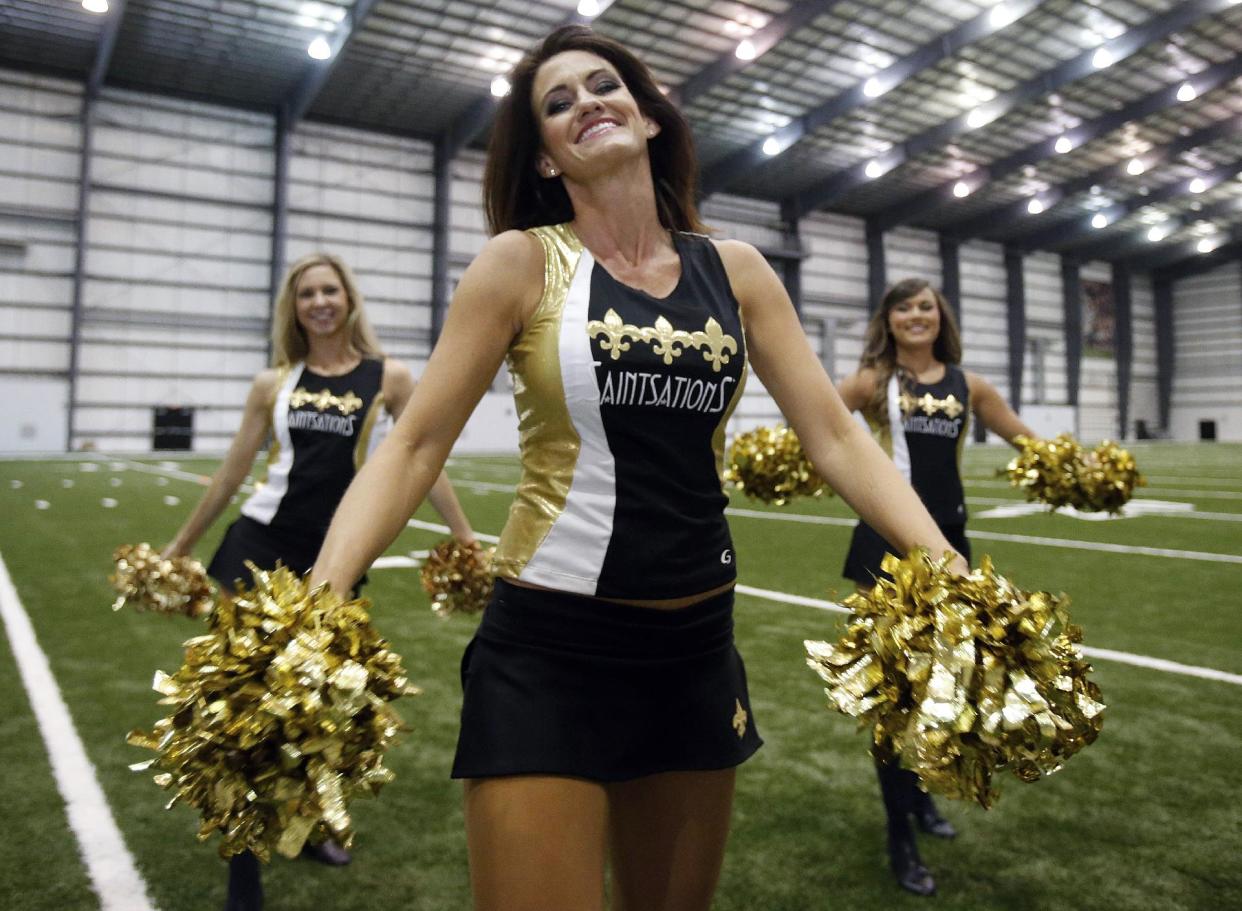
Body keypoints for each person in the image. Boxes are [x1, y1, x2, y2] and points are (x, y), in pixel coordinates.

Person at [310, 26, 967, 911]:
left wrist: (945, 564)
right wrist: (325, 589)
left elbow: (837, 437)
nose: (586, 102)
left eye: (603, 84)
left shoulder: (736, 272)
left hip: (693, 650)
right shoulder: (519, 265)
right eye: (557, 102)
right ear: (544, 160)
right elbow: (417, 442)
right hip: (548, 651)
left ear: (649, 117)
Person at [162, 251, 478, 911]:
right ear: (295, 307)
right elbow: (230, 474)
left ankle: (307, 829)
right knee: (241, 713)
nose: (321, 301)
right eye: (307, 293)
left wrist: (464, 533)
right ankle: (243, 867)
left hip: (337, 558)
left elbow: (425, 460)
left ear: (349, 299)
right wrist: (182, 545)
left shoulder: (389, 377)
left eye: (330, 289)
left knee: (323, 707)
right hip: (254, 549)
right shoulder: (272, 383)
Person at [837, 277, 1037, 897]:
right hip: (885, 549)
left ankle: (922, 804)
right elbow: (814, 419)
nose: (916, 315)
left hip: (949, 549)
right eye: (904, 307)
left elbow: (1025, 439)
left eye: (925, 306)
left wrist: (1070, 463)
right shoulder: (873, 381)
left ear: (939, 316)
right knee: (893, 699)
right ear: (889, 319)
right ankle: (900, 834)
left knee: (939, 692)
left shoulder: (969, 385)